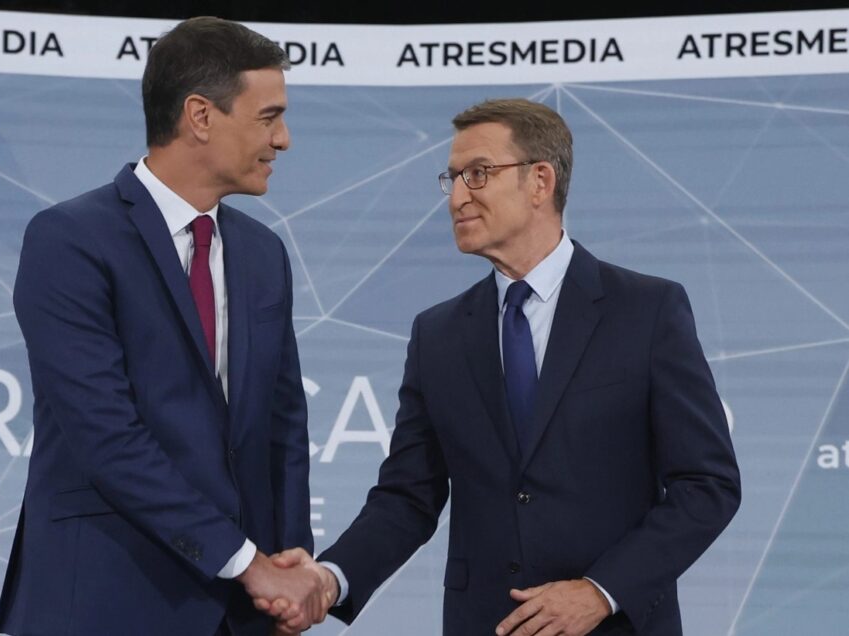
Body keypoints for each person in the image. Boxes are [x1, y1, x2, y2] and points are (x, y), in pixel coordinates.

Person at [261, 98, 741, 635]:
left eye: (478, 174)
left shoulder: (648, 311)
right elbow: (407, 497)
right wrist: (331, 579)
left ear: (540, 181)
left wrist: (601, 592)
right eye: (452, 178)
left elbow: (707, 485)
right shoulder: (437, 335)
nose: (457, 196)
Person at [0, 17, 329, 636]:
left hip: (242, 614)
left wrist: (289, 573)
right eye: (267, 116)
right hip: (104, 600)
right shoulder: (70, 240)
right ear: (200, 116)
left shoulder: (262, 254)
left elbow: (282, 428)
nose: (282, 139)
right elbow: (106, 436)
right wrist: (248, 564)